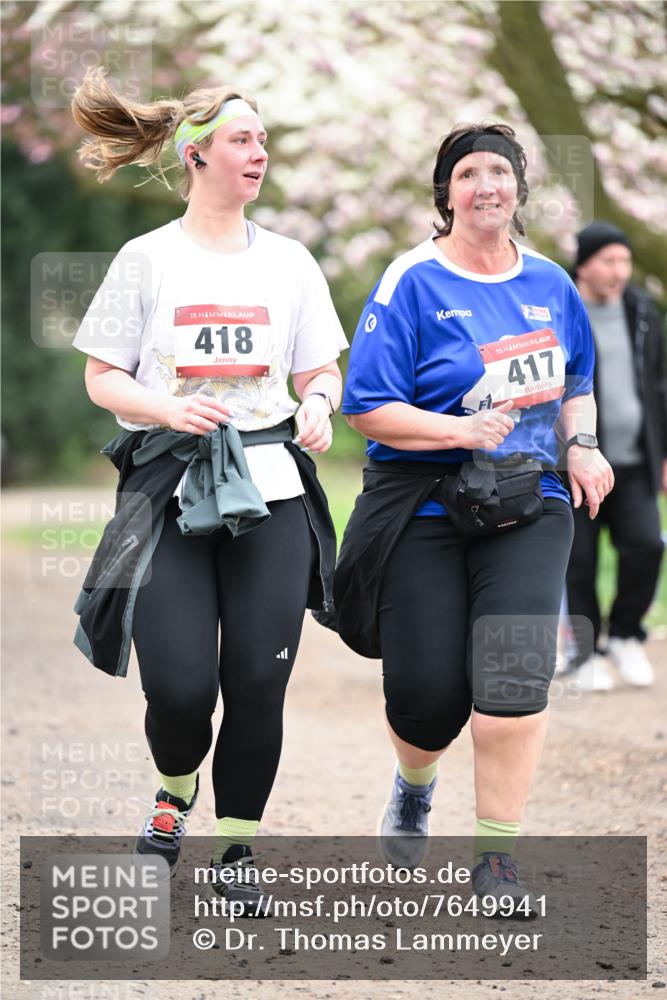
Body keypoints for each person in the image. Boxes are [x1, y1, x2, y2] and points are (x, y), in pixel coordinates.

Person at [69, 69, 347, 908]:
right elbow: (100, 377)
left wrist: (320, 404)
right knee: (182, 689)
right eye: (242, 139)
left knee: (258, 682)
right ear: (197, 156)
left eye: (263, 140)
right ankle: (173, 790)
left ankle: (236, 852)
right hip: (170, 491)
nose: (258, 153)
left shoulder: (291, 262)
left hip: (270, 491)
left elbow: (318, 366)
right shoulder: (146, 258)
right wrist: (165, 407)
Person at [336, 123, 613, 909]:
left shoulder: (553, 285)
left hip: (530, 502)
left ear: (520, 190)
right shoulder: (410, 282)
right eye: (467, 173)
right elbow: (367, 406)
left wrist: (584, 446)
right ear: (445, 193)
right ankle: (415, 782)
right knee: (425, 701)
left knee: (511, 680)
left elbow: (575, 385)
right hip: (423, 506)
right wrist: (456, 431)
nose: (485, 184)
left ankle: (496, 860)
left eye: (499, 171)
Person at [566, 221, 666, 691]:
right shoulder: (561, 311)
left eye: (624, 261)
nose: (620, 271)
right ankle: (584, 654)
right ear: (584, 265)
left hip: (636, 463)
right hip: (580, 466)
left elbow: (660, 386)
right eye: (609, 260)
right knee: (580, 561)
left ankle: (625, 635)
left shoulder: (642, 311)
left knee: (647, 545)